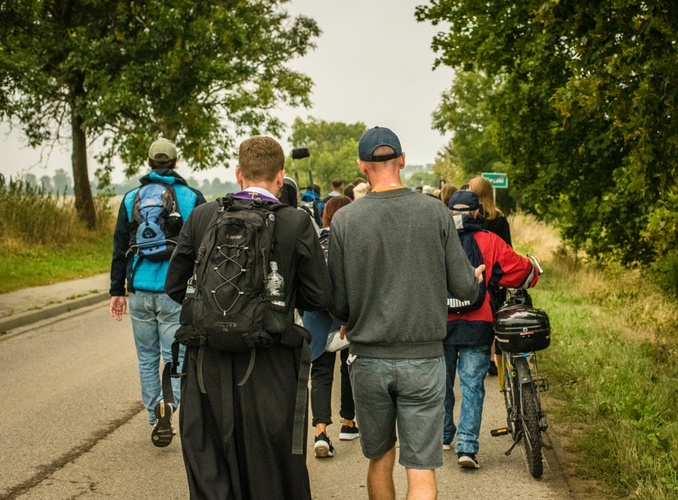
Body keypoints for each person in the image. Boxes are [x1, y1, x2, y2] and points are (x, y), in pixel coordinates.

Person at [165, 136, 331, 500]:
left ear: (238, 174)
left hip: (206, 361)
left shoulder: (203, 216)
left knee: (212, 464)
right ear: (280, 176)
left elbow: (175, 285)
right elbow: (320, 296)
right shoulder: (295, 223)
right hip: (269, 360)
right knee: (269, 465)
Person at [328, 126, 485, 500]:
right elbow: (464, 288)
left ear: (362, 166)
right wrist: (473, 278)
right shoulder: (435, 213)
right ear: (402, 160)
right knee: (421, 467)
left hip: (368, 359)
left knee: (381, 458)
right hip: (425, 359)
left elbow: (338, 304)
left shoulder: (345, 221)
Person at [109, 138, 206, 444]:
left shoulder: (130, 198)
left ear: (148, 163)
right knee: (173, 355)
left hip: (138, 288)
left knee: (147, 357)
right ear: (175, 163)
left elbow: (120, 247)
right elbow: (204, 247)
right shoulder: (191, 197)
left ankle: (154, 414)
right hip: (174, 290)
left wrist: (117, 290)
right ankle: (170, 407)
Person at [443, 190, 540, 469]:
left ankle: (445, 434)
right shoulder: (489, 240)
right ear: (477, 212)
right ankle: (467, 447)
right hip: (478, 322)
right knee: (473, 386)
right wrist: (534, 268)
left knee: (442, 385)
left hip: (442, 324)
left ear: (448, 211)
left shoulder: (437, 239)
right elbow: (517, 270)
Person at [303, 195, 358, 459]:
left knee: (321, 374)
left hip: (317, 315)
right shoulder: (354, 242)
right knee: (351, 369)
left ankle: (320, 432)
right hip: (349, 316)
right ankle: (348, 422)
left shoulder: (315, 242)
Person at [469, 175, 513, 375]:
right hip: (495, 275)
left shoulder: (471, 219)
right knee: (496, 313)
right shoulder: (500, 219)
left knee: (478, 311)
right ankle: (496, 357)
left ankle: (483, 355)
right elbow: (508, 249)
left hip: (476, 273)